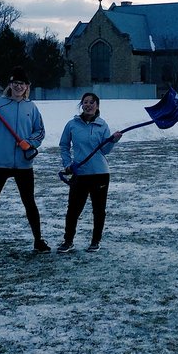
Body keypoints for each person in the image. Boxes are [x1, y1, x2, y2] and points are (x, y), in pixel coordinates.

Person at [0, 67, 49, 257]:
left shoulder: (31, 107)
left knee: (30, 203)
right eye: (15, 83)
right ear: (10, 84)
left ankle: (38, 241)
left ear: (27, 86)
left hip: (23, 164)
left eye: (22, 84)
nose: (18, 86)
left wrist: (28, 143)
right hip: (0, 163)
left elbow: (40, 131)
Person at [56, 92, 123, 253]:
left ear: (97, 106)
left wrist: (113, 141)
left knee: (98, 209)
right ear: (81, 105)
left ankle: (95, 241)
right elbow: (64, 146)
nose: (88, 105)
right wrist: (67, 164)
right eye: (85, 102)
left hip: (100, 173)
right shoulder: (72, 124)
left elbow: (105, 151)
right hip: (80, 173)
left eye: (92, 102)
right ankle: (68, 241)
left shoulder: (102, 125)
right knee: (73, 209)